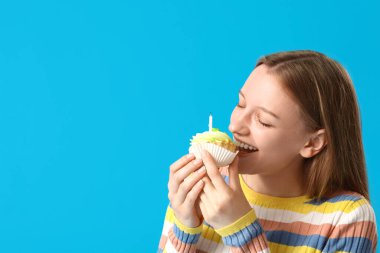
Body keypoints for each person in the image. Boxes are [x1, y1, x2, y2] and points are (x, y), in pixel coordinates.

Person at [157, 50, 378, 252]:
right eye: (241, 104)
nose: (235, 126)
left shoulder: (347, 218)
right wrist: (184, 229)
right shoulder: (201, 185)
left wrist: (241, 231)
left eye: (263, 121)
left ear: (312, 143)